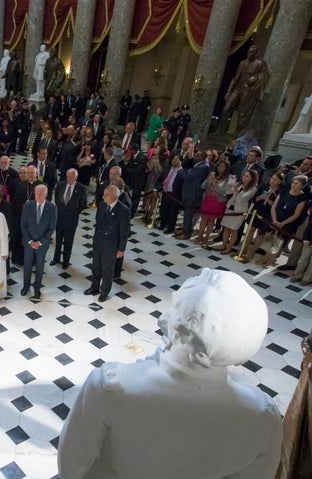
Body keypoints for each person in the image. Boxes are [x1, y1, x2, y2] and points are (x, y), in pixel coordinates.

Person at [59, 268, 282, 479]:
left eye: (176, 305)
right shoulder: (263, 415)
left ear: (185, 325)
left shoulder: (111, 388)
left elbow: (72, 466)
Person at [84, 185, 129, 303]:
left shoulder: (123, 210)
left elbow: (124, 232)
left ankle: (104, 291)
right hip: (98, 242)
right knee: (96, 267)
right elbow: (98, 222)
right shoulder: (103, 205)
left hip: (111, 245)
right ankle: (94, 287)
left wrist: (121, 249)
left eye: (106, 195)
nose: (103, 197)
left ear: (114, 196)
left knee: (107, 270)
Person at [218, 44, 269, 131]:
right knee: (226, 109)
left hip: (248, 89)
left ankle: (237, 135)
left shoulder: (260, 63)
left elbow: (265, 76)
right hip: (238, 88)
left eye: (252, 52)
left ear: (256, 53)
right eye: (249, 51)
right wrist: (228, 92)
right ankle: (219, 130)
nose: (249, 53)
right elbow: (235, 78)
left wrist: (255, 78)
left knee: (242, 113)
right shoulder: (242, 63)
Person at [21, 184, 57, 299]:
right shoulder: (28, 205)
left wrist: (40, 242)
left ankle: (37, 288)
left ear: (46, 194)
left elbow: (51, 228)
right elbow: (23, 225)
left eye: (41, 193)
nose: (39, 195)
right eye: (37, 193)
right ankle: (25, 286)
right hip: (29, 243)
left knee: (40, 267)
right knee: (27, 265)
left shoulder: (52, 208)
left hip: (42, 244)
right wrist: (29, 241)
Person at [51, 169, 87, 269]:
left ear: (76, 177)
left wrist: (74, 211)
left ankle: (66, 261)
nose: (69, 179)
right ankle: (56, 258)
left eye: (72, 177)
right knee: (58, 239)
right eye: (68, 176)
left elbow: (83, 204)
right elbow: (57, 198)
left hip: (72, 219)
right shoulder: (60, 185)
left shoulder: (81, 188)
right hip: (60, 218)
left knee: (68, 241)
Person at [218, 169, 258, 255]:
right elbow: (228, 192)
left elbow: (241, 199)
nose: (244, 177)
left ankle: (229, 248)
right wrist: (230, 184)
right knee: (226, 227)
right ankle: (223, 245)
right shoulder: (239, 184)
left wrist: (235, 188)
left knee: (234, 230)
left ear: (251, 178)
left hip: (239, 211)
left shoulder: (253, 189)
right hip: (230, 208)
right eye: (244, 175)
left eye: (247, 176)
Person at [197, 160, 232, 247]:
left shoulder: (228, 178)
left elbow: (225, 192)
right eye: (219, 166)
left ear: (226, 168)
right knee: (204, 218)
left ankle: (206, 238)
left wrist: (215, 185)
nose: (220, 168)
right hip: (207, 198)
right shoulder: (212, 174)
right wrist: (207, 181)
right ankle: (200, 236)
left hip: (218, 201)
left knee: (211, 219)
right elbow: (202, 186)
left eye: (223, 166)